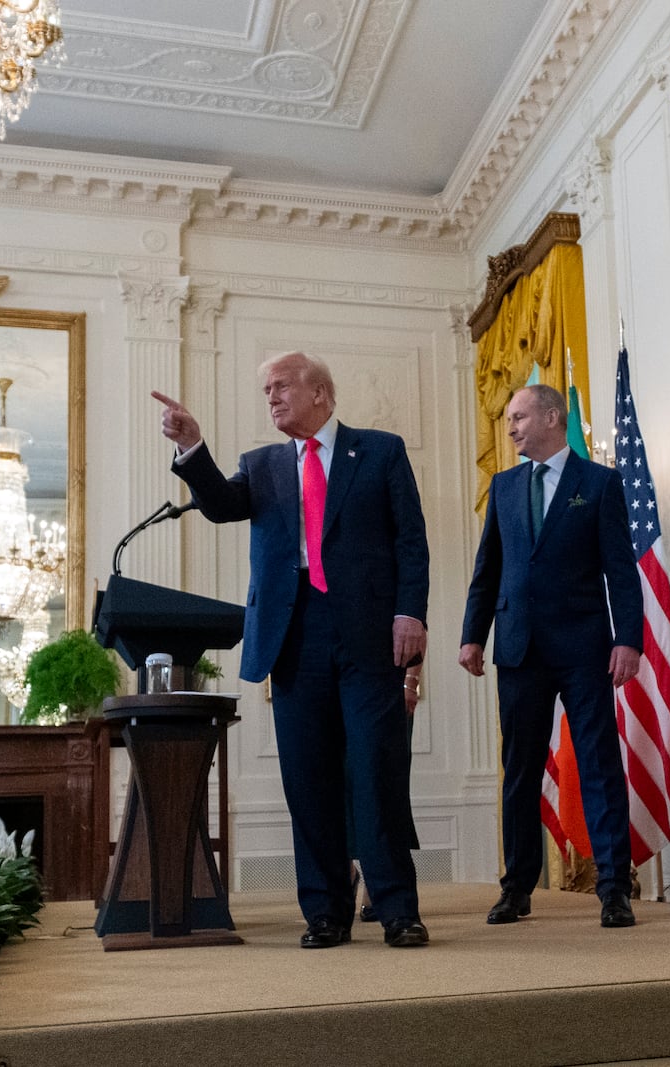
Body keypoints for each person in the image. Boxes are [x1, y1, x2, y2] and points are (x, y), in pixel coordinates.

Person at [153, 350, 431, 949]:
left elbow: (411, 538)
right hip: (293, 634)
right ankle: (325, 911)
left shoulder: (380, 450)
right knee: (309, 778)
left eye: (280, 387)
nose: (272, 398)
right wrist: (194, 447)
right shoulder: (264, 465)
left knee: (376, 770)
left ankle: (396, 908)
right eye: (266, 392)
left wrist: (411, 613)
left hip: (368, 633)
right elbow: (222, 507)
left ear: (320, 392)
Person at [459, 384, 643, 929]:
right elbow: (486, 569)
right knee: (518, 772)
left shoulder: (600, 484)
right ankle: (516, 888)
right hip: (518, 649)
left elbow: (621, 570)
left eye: (518, 417)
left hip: (584, 649)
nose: (511, 426)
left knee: (599, 767)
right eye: (509, 418)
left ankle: (614, 889)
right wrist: (473, 635)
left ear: (551, 417)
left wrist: (627, 639)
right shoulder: (504, 486)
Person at [356, 660, 421, 923]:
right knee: (333, 784)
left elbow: (413, 625)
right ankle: (347, 872)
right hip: (328, 683)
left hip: (384, 688)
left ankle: (380, 882)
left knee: (383, 784)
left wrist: (410, 681)